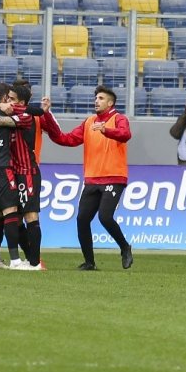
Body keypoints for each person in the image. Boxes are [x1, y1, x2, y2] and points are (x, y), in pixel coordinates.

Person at [43, 85, 134, 271]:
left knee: (105, 217)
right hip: (92, 179)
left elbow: (125, 135)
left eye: (101, 98)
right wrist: (47, 116)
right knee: (82, 219)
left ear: (110, 103)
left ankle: (125, 247)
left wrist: (105, 130)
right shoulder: (89, 122)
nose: (96, 101)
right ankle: (90, 262)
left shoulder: (119, 119)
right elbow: (65, 139)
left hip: (114, 177)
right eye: (96, 98)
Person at [0, 82, 46, 270]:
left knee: (30, 216)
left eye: (12, 99)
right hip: (11, 172)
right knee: (11, 215)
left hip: (27, 172)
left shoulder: (25, 116)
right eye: (7, 98)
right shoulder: (4, 112)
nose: (8, 102)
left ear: (21, 102)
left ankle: (34, 262)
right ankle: (16, 259)